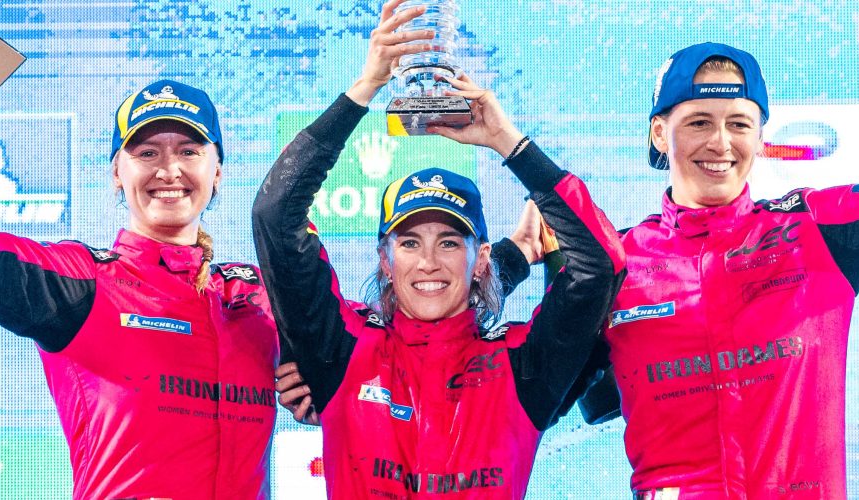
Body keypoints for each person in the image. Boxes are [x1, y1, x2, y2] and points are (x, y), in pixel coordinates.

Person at [576, 3, 859, 498]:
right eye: (698, 123)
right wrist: (527, 262)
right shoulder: (616, 265)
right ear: (659, 132)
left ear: (760, 137)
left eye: (740, 124)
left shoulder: (814, 232)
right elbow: (532, 393)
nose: (720, 143)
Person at [252, 0, 625, 497]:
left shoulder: (523, 365)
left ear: (481, 259)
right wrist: (365, 87)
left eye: (449, 242)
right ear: (385, 261)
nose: (428, 262)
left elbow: (599, 266)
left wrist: (508, 142)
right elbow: (275, 215)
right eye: (409, 242)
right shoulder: (342, 349)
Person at [0, 6, 279, 499]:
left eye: (189, 151)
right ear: (117, 173)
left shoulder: (256, 298)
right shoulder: (83, 282)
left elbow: (356, 353)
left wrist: (318, 386)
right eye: (147, 153)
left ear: (218, 171)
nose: (169, 170)